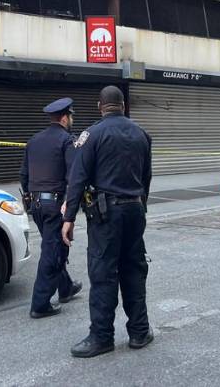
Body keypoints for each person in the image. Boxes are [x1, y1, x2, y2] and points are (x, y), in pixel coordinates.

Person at [61, 86, 153, 358]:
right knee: (134, 269)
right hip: (135, 211)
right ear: (123, 105)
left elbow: (77, 178)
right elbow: (146, 176)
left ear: (100, 106)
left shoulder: (92, 135)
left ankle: (101, 337)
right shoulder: (142, 134)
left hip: (106, 215)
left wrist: (69, 218)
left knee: (103, 272)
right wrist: (141, 205)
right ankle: (139, 331)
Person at [20, 97, 83, 319]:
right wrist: (70, 203)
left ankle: (65, 288)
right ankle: (40, 303)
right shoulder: (67, 141)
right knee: (53, 250)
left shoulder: (33, 140)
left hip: (36, 204)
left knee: (52, 243)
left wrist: (29, 198)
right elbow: (74, 175)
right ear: (65, 118)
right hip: (55, 204)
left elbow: (23, 175)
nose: (72, 119)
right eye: (71, 116)